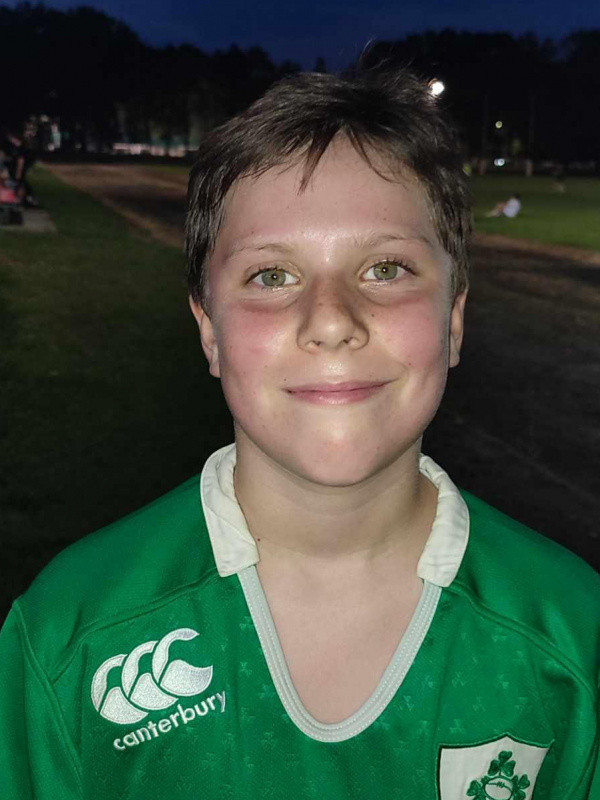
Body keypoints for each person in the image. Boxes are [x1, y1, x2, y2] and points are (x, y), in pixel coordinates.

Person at [0, 69, 598, 799]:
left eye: (385, 268)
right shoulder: (70, 636)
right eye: (272, 277)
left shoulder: (574, 636)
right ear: (209, 331)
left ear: (453, 320)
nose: (332, 320)